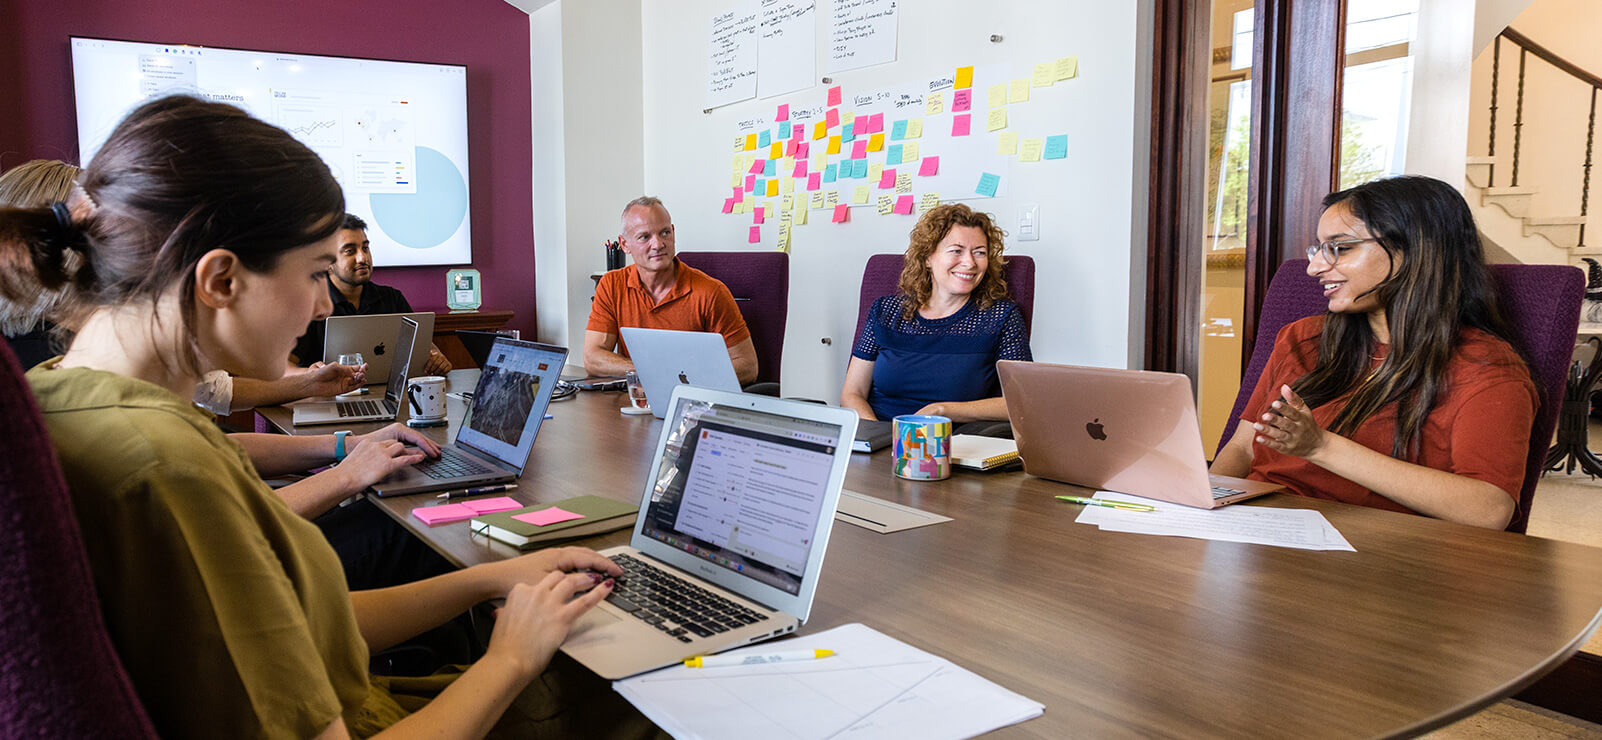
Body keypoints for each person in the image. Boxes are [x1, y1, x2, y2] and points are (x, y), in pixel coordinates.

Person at [1, 95, 643, 738]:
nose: (318, 307)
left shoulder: (56, 398)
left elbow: (304, 621)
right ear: (220, 280)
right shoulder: (170, 469)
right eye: (313, 273)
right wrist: (511, 658)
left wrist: (488, 578)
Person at [1209, 175, 1537, 530]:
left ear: (1414, 251)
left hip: (1373, 554)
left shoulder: (1484, 368)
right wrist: (1201, 510)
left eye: (1341, 248)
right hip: (1256, 530)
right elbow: (1243, 449)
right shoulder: (1302, 338)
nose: (1314, 267)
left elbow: (1489, 511)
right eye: (1318, 248)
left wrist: (1320, 446)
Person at [841, 203, 1031, 424]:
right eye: (956, 251)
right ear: (928, 258)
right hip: (880, 437)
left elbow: (1020, 401)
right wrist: (879, 436)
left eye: (979, 253)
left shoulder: (1000, 317)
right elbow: (852, 393)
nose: (969, 262)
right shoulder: (886, 310)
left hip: (953, 444)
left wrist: (942, 410)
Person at [583, 196, 759, 384]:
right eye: (645, 237)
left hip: (694, 403)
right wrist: (652, 372)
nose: (658, 244)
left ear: (673, 232)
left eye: (665, 233)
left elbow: (748, 366)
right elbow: (593, 358)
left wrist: (683, 377)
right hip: (636, 402)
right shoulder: (611, 285)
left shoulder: (711, 292)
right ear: (624, 244)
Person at [292, 214, 453, 376]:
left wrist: (436, 360)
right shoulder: (311, 305)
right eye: (350, 251)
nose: (362, 258)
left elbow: (426, 349)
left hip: (387, 395)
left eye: (365, 248)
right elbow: (285, 369)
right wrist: (310, 374)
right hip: (326, 398)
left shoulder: (392, 297)